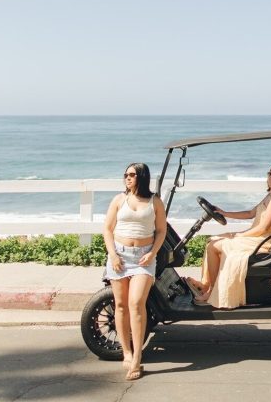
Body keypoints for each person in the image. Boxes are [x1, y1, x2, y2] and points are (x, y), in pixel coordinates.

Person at [187, 164, 271, 309]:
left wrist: (237, 235)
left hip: (262, 241)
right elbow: (250, 213)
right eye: (270, 174)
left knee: (214, 246)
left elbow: (263, 228)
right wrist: (224, 213)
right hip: (256, 236)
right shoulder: (270, 195)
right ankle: (205, 285)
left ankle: (210, 291)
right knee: (213, 240)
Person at [103, 162, 166, 381]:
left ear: (142, 177)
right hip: (119, 255)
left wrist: (152, 253)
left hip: (143, 258)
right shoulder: (119, 200)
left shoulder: (154, 202)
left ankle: (137, 357)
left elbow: (161, 231)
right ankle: (127, 352)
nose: (127, 178)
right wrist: (112, 254)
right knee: (120, 306)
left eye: (131, 175)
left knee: (136, 303)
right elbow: (107, 229)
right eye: (125, 175)